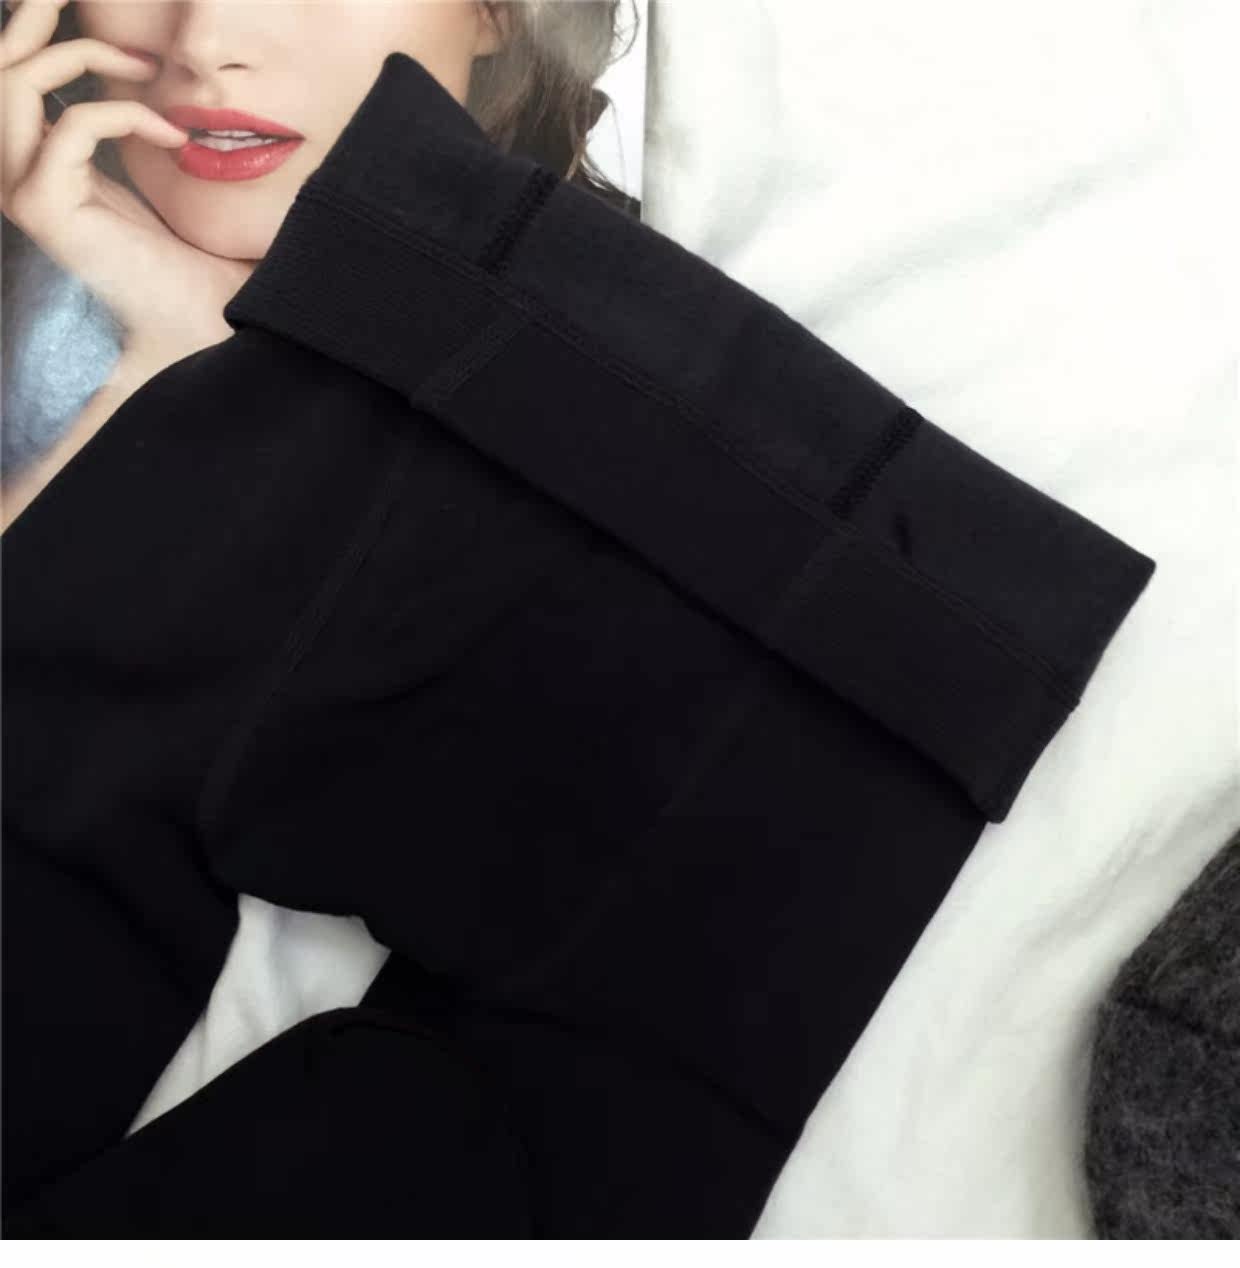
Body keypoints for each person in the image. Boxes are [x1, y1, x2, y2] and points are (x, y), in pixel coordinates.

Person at [0, 0, 638, 529]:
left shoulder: (633, 388)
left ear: (499, 11)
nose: (204, 42)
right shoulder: (44, 309)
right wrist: (167, 362)